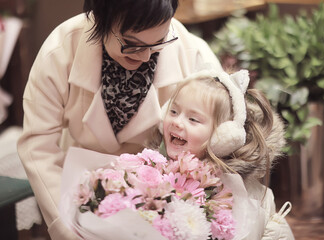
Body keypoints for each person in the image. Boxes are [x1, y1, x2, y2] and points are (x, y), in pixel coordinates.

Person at [17, 1, 222, 239]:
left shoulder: (192, 53)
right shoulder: (61, 49)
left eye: (158, 43)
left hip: (162, 198)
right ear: (102, 18)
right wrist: (65, 224)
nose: (145, 56)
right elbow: (38, 145)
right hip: (78, 186)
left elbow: (221, 138)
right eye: (132, 45)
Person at [147, 69, 295, 239]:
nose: (177, 122)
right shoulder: (149, 172)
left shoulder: (247, 196)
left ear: (223, 137)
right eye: (173, 111)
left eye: (193, 119)